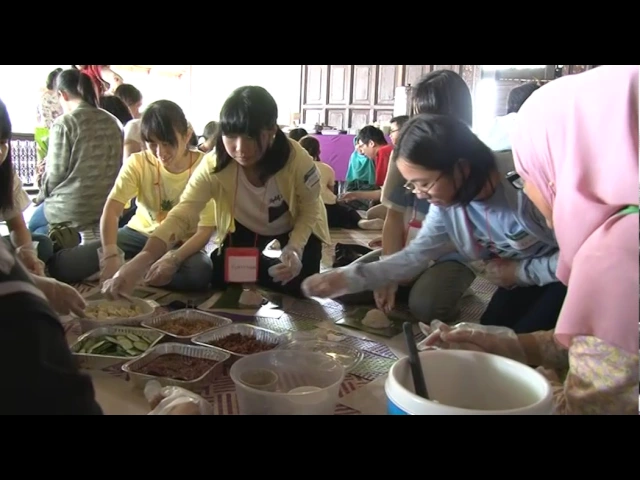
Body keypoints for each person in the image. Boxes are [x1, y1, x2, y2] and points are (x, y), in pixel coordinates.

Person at [423, 66, 639, 415]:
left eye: (527, 174)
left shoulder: (616, 257)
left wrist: (534, 387)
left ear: (566, 170)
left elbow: (591, 409)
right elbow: (602, 348)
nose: (526, 191)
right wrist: (507, 345)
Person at [303, 114, 567, 334]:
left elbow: (580, 258)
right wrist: (347, 278)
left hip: (567, 277)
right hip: (520, 275)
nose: (420, 195)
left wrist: (520, 272)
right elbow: (416, 254)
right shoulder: (448, 206)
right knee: (492, 334)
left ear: (462, 168)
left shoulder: (526, 189)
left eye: (424, 183)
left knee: (525, 344)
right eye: (413, 185)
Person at [102, 86, 330, 299]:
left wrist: (295, 247)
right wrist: (143, 260)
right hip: (245, 225)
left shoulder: (296, 159)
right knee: (223, 277)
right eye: (231, 136)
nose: (240, 148)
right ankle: (254, 266)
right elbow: (183, 212)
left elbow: (310, 209)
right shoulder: (214, 164)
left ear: (271, 130)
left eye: (250, 136)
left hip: (294, 224)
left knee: (303, 286)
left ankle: (262, 266)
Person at [48, 100, 215, 292]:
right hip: (138, 233)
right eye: (152, 144)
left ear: (187, 135)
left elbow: (205, 231)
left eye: (167, 143)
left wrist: (173, 259)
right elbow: (112, 210)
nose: (160, 153)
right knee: (64, 266)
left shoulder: (206, 168)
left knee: (199, 273)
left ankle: (134, 268)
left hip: (182, 242)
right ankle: (135, 268)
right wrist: (110, 255)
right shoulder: (138, 162)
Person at [28, 69, 123, 244]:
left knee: (32, 227)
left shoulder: (65, 123)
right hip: (107, 206)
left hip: (72, 209)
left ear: (62, 94)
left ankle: (66, 246)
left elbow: (55, 175)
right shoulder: (115, 122)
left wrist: (39, 197)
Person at [1, 98, 54, 271]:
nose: (0, 151)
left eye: (3, 142)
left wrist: (28, 255)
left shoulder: (6, 174)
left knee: (42, 244)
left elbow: (16, 226)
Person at [298, 135, 381, 230]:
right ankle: (360, 222)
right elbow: (331, 191)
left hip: (304, 209)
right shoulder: (327, 168)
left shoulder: (296, 168)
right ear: (318, 151)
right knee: (347, 211)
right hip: (328, 210)